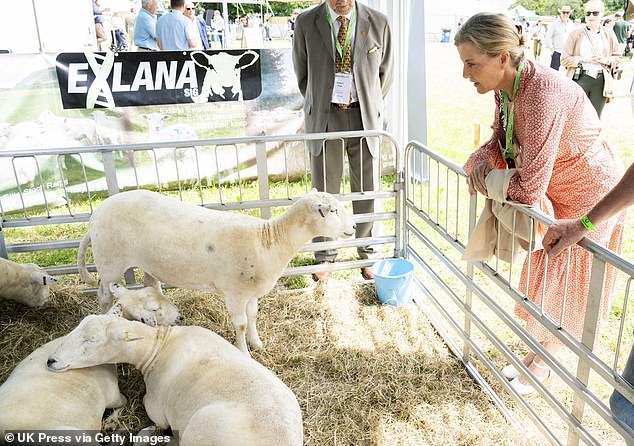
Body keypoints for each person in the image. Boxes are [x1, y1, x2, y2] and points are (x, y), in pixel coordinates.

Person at [455, 12, 624, 395]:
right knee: (544, 275)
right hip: (556, 191)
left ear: (501, 58)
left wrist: (493, 181)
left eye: (471, 64)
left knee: (568, 285)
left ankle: (546, 363)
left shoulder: (543, 93)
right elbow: (500, 140)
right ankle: (536, 352)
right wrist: (478, 163)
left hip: (588, 192)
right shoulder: (505, 88)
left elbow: (529, 189)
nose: (466, 74)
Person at [292, 0, 394, 281]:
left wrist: (366, 101)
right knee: (325, 189)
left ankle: (368, 251)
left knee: (367, 188)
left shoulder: (379, 22)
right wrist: (322, 103)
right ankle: (325, 254)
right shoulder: (306, 23)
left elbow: (385, 74)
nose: (343, 1)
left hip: (363, 117)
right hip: (326, 118)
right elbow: (303, 75)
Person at [561, 0, 621, 118]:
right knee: (575, 117)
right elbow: (564, 59)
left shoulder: (609, 34)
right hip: (579, 78)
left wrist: (605, 60)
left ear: (602, 14)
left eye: (595, 13)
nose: (591, 16)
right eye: (588, 13)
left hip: (601, 80)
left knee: (595, 118)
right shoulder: (575, 33)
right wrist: (584, 59)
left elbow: (617, 57)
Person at [544, 5, 575, 71]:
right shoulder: (554, 23)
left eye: (567, 13)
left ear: (570, 14)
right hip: (557, 51)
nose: (565, 14)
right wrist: (552, 50)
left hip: (568, 53)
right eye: (563, 12)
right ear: (560, 13)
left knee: (568, 73)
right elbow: (548, 37)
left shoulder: (571, 24)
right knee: (554, 73)